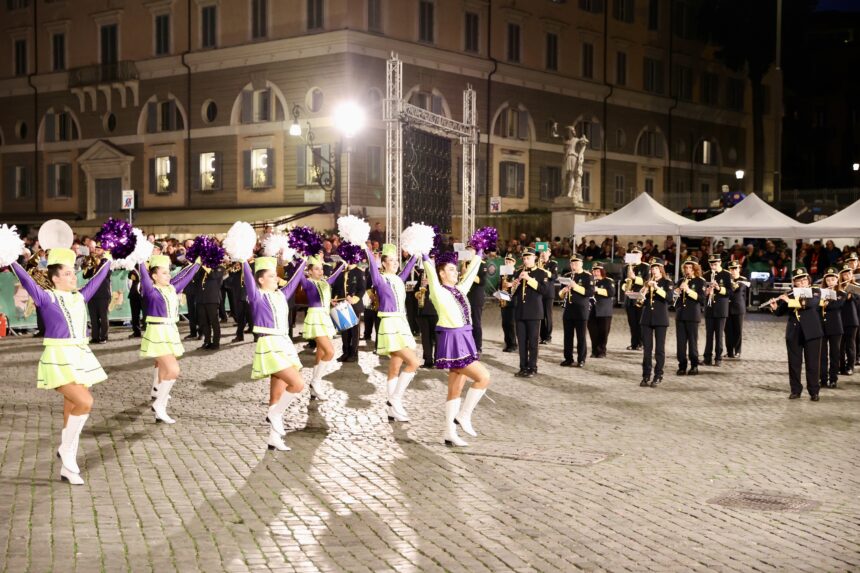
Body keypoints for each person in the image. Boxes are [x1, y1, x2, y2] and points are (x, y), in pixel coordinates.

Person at [10, 245, 112, 485]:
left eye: (72, 272)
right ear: (54, 278)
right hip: (57, 358)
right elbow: (26, 280)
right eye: (67, 273)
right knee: (85, 402)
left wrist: (108, 259)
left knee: (71, 408)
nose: (73, 276)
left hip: (79, 356)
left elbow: (97, 279)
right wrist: (11, 260)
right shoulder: (46, 297)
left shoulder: (80, 296)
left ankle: (68, 467)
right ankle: (66, 450)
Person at [422, 250, 491, 447]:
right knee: (483, 377)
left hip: (465, 337)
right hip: (453, 339)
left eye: (455, 270)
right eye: (451, 270)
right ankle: (464, 415)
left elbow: (469, 274)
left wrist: (478, 254)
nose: (455, 272)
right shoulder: (438, 290)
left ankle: (449, 432)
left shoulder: (459, 290)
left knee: (456, 387)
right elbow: (432, 274)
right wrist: (426, 257)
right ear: (442, 274)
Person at [243, 255, 307, 451]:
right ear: (261, 279)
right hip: (269, 344)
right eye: (271, 276)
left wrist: (303, 260)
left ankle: (274, 438)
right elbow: (248, 279)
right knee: (297, 383)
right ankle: (276, 414)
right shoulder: (257, 295)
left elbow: (295, 279)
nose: (276, 279)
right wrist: (243, 260)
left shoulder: (281, 294)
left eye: (275, 276)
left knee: (276, 396)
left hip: (284, 343)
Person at [138, 255, 201, 423]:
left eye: (168, 273)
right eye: (164, 273)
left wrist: (198, 262)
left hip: (171, 332)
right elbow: (143, 274)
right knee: (173, 370)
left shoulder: (172, 288)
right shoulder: (150, 290)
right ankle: (159, 404)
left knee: (165, 371)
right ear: (154, 276)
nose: (168, 276)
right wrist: (139, 258)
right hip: (157, 332)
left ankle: (161, 408)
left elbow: (187, 277)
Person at [364, 243, 419, 421]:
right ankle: (394, 400)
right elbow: (372, 265)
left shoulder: (399, 278)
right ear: (384, 263)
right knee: (414, 362)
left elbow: (410, 264)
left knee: (395, 366)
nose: (396, 263)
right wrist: (366, 249)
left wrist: (418, 251)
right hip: (389, 324)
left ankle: (391, 409)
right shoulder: (380, 279)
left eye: (397, 260)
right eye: (392, 260)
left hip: (402, 323)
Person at [770, 267, 823, 401]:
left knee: (812, 363)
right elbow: (780, 312)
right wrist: (775, 307)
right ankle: (795, 390)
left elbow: (810, 304)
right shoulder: (790, 293)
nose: (802, 282)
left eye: (804, 279)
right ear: (794, 282)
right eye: (799, 281)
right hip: (794, 332)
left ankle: (814, 391)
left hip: (812, 331)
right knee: (794, 363)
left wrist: (789, 301)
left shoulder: (815, 291)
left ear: (808, 280)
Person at [297, 255, 345, 399]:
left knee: (320, 352)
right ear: (310, 271)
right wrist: (303, 260)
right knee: (329, 352)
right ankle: (316, 382)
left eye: (321, 269)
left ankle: (314, 387)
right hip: (315, 317)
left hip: (324, 317)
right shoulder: (308, 283)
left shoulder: (324, 282)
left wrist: (342, 264)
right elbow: (298, 274)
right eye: (316, 269)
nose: (320, 271)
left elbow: (335, 276)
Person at [512, 248, 550, 377]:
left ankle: (532, 367)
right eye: (524, 258)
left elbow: (544, 291)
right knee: (521, 342)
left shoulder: (541, 273)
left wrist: (528, 278)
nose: (525, 260)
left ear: (534, 258)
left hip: (534, 312)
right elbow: (515, 294)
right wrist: (513, 285)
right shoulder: (518, 272)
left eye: (528, 258)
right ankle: (523, 367)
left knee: (533, 342)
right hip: (520, 312)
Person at [639, 258, 674, 387]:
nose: (654, 270)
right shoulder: (647, 283)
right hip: (647, 318)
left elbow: (669, 298)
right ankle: (646, 375)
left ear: (661, 269)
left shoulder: (667, 282)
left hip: (660, 318)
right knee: (647, 349)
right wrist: (643, 292)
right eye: (652, 268)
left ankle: (658, 375)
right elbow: (641, 301)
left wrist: (657, 288)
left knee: (659, 349)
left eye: (656, 268)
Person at [558, 253, 593, 367]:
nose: (574, 265)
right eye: (572, 263)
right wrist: (563, 291)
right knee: (567, 336)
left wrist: (575, 287)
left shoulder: (587, 276)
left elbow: (590, 292)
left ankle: (581, 359)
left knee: (581, 336)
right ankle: (568, 358)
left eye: (576, 263)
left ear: (581, 263)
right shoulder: (567, 275)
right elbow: (560, 294)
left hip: (581, 310)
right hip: (568, 309)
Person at [674, 256, 705, 376]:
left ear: (695, 269)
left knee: (692, 343)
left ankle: (694, 365)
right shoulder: (681, 280)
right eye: (686, 267)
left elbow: (702, 299)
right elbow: (674, 300)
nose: (687, 270)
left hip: (692, 315)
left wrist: (688, 291)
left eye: (690, 268)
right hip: (680, 315)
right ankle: (682, 365)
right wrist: (675, 294)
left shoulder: (700, 281)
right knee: (680, 343)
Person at [818, 266, 845, 389]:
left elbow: (836, 305)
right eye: (828, 280)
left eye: (833, 280)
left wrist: (826, 302)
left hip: (836, 327)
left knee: (835, 354)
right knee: (822, 355)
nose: (830, 282)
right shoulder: (819, 293)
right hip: (822, 327)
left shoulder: (841, 293)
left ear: (837, 280)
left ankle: (833, 379)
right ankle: (822, 379)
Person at [702, 255, 732, 366]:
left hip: (721, 308)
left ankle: (718, 357)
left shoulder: (726, 274)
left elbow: (730, 292)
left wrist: (719, 289)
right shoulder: (706, 275)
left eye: (715, 264)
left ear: (720, 262)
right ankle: (707, 358)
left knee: (719, 334)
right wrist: (706, 292)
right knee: (709, 334)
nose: (713, 266)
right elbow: (702, 291)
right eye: (711, 264)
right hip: (709, 308)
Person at [83, 244, 111, 344]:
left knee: (103, 317)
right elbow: (85, 276)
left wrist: (97, 263)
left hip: (103, 293)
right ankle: (95, 337)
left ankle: (103, 336)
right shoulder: (93, 262)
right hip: (92, 293)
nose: (96, 251)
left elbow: (104, 274)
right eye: (96, 249)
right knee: (93, 317)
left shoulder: (106, 262)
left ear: (103, 251)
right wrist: (87, 265)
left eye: (98, 250)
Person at [623, 247, 650, 351]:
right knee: (632, 323)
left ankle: (641, 343)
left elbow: (647, 282)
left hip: (640, 297)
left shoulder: (645, 267)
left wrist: (635, 278)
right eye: (633, 253)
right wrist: (624, 288)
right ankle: (634, 343)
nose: (634, 255)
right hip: (629, 298)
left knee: (640, 322)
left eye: (637, 253)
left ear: (641, 255)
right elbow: (622, 281)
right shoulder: (627, 267)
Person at [587, 262, 615, 358]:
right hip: (591, 310)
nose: (596, 273)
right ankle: (594, 350)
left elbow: (611, 292)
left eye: (598, 271)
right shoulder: (590, 281)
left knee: (603, 332)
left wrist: (597, 289)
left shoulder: (608, 281)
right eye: (594, 271)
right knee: (593, 332)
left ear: (602, 271)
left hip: (604, 311)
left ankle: (602, 351)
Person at [196, 264, 225, 350]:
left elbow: (213, 275)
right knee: (204, 322)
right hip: (201, 298)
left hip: (212, 298)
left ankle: (216, 343)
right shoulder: (201, 268)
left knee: (214, 322)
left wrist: (205, 266)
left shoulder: (220, 267)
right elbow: (196, 278)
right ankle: (207, 341)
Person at [464, 246, 487, 353]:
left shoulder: (481, 264)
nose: (468, 252)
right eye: (467, 250)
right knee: (466, 323)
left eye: (470, 250)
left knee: (476, 322)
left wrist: (469, 273)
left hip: (476, 297)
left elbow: (483, 281)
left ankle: (478, 346)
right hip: (465, 296)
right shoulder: (464, 264)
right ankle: (467, 344)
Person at [415, 265, 438, 368]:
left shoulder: (439, 274)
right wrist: (418, 294)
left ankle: (438, 360)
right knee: (425, 338)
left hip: (436, 311)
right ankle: (428, 360)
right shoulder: (423, 274)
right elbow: (416, 290)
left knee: (437, 338)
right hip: (423, 310)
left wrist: (431, 283)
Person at [725, 261, 749, 359]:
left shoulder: (743, 280)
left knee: (738, 331)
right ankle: (729, 351)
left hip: (738, 308)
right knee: (728, 331)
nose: (733, 271)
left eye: (735, 269)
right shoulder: (726, 280)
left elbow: (742, 293)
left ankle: (737, 351)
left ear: (739, 269)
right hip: (727, 308)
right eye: (731, 269)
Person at [839, 266, 858, 375]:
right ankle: (840, 366)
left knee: (850, 345)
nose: (847, 276)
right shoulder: (838, 288)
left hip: (852, 320)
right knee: (840, 345)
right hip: (839, 319)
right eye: (844, 274)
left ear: (852, 275)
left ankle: (850, 366)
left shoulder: (856, 288)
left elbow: (857, 303)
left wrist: (850, 295)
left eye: (849, 274)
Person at [538, 250, 558, 344]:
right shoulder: (537, 263)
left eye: (545, 252)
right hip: (539, 292)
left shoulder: (553, 264)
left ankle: (548, 336)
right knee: (540, 315)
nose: (543, 253)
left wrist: (543, 270)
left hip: (549, 293)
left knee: (548, 315)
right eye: (542, 252)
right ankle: (542, 336)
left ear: (549, 253)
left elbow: (554, 276)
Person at [499, 254, 518, 353]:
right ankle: (507, 343)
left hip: (512, 301)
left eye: (510, 262)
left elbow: (519, 285)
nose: (507, 263)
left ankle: (513, 344)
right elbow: (500, 285)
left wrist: (511, 284)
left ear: (514, 263)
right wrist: (500, 296)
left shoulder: (516, 273)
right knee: (504, 324)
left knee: (511, 324)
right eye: (506, 261)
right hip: (504, 299)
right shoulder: (503, 273)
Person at [128, 266, 143, 338]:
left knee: (148, 314)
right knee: (135, 315)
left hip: (145, 294)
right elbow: (132, 276)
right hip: (134, 294)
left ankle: (150, 332)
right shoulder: (133, 269)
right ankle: (137, 332)